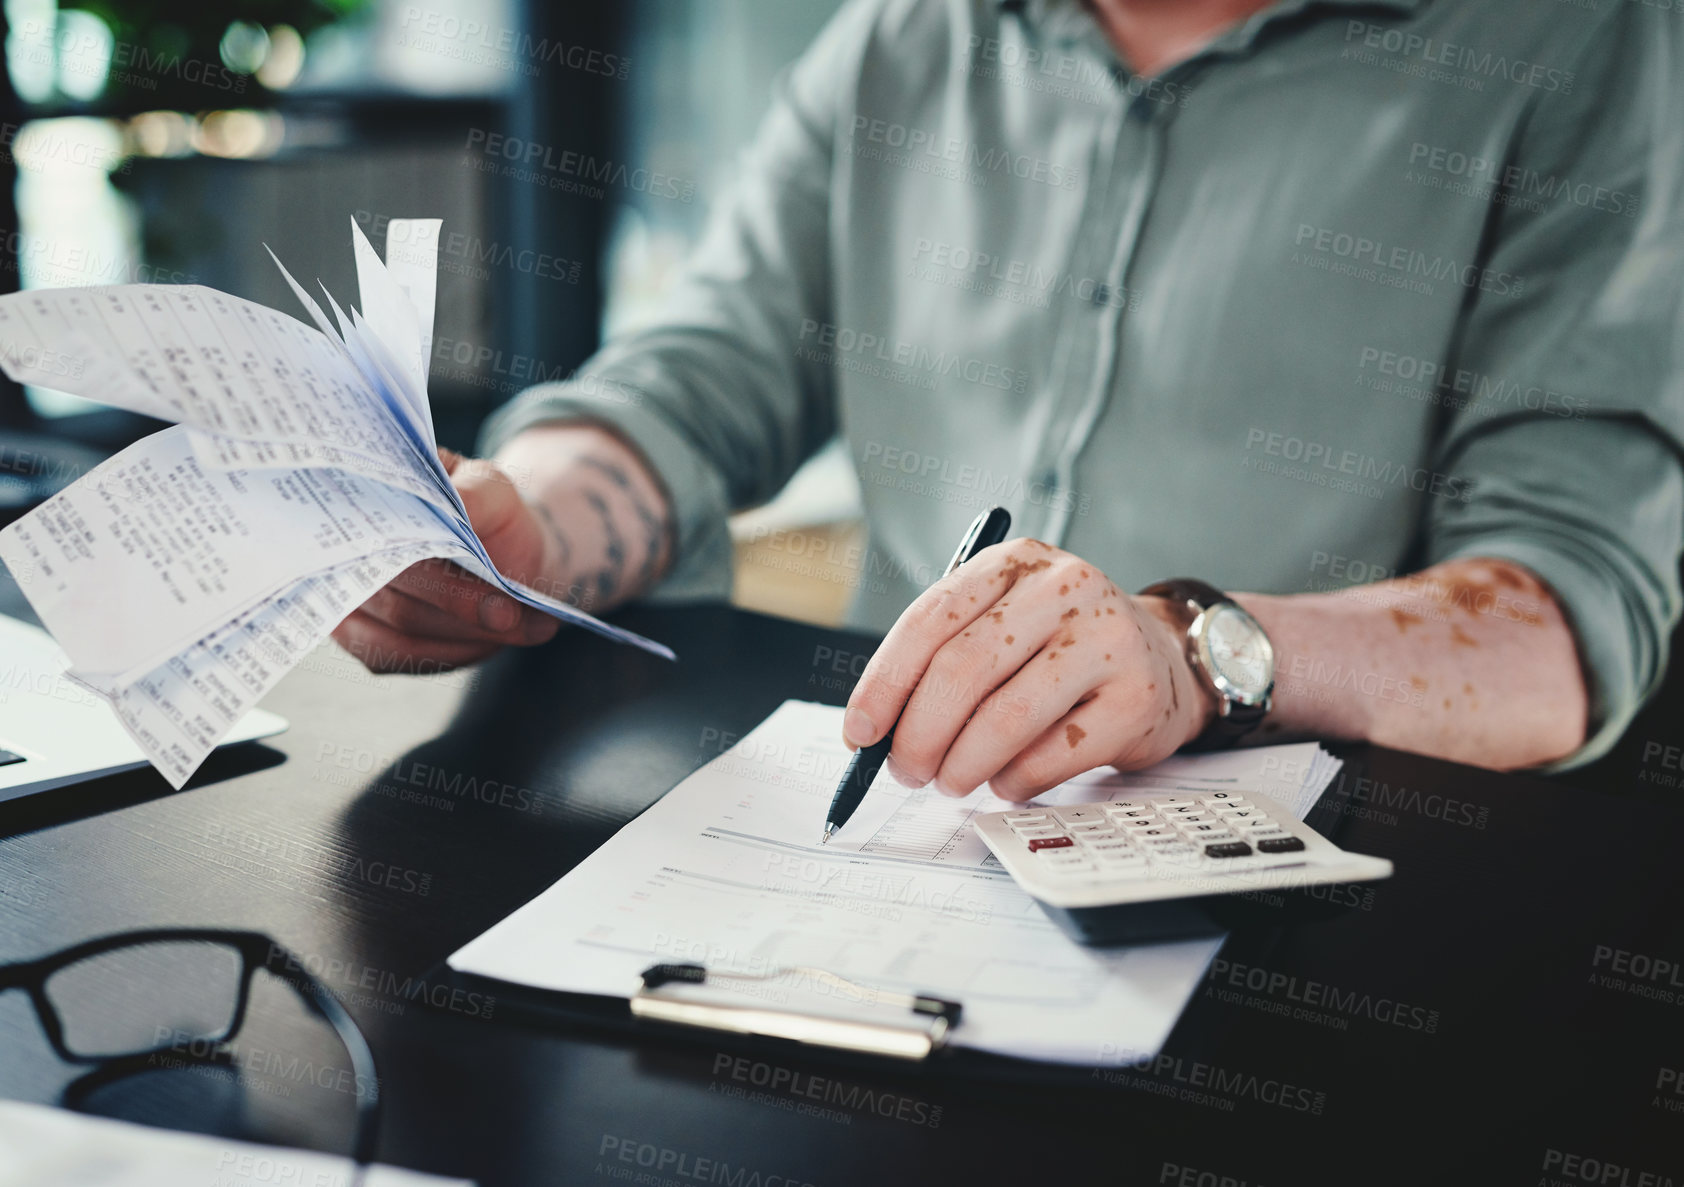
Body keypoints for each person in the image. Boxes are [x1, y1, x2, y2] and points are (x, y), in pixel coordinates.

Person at [333, 0, 1684, 798]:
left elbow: (1565, 614)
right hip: (897, 832)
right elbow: (710, 366)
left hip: (1325, 917)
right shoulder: (907, 33)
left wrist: (1190, 656)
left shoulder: (1582, 40)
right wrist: (529, 528)